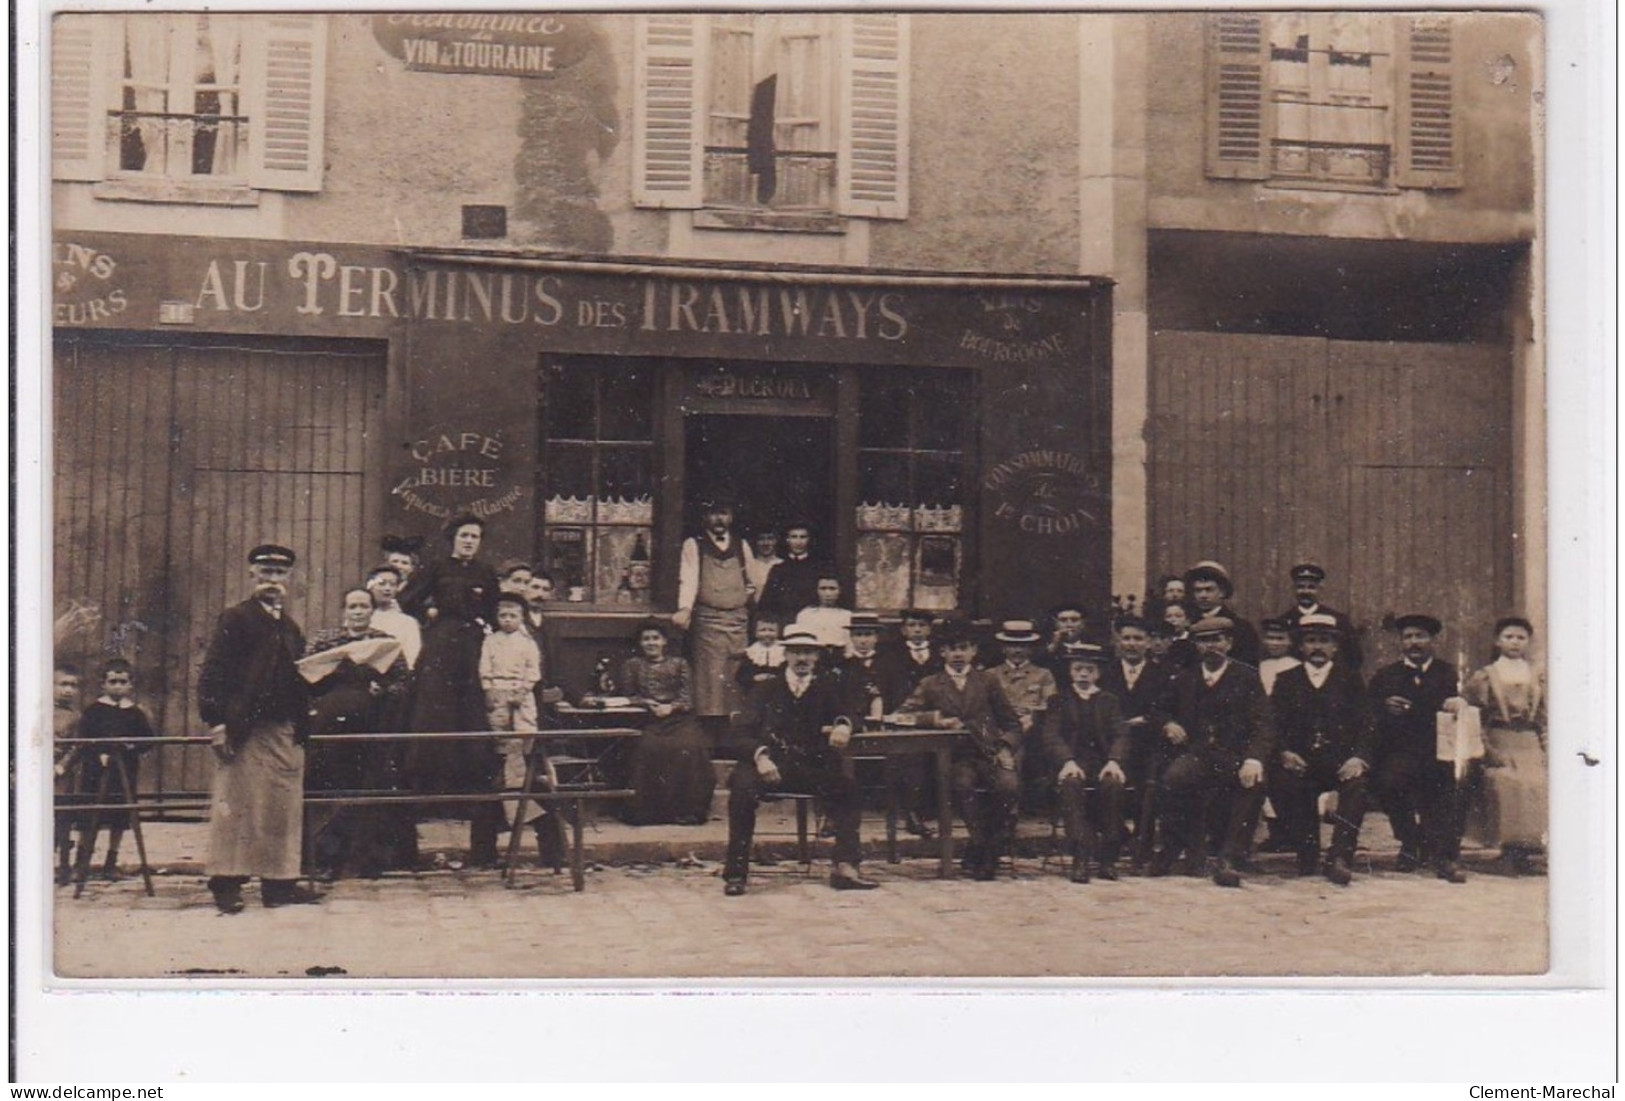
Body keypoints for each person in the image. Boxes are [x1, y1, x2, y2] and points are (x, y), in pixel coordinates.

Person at [197, 544, 319, 913]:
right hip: (245, 728)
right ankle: (226, 884)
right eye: (265, 573)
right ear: (252, 575)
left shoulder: (291, 628)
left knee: (281, 808)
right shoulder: (236, 618)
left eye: (280, 574)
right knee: (237, 806)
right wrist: (217, 722)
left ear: (289, 579)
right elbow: (213, 673)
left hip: (283, 729)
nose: (272, 581)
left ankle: (279, 885)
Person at [723, 627, 876, 895]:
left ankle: (846, 867)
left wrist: (844, 724)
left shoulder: (826, 687)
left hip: (808, 765)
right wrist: (760, 756)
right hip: (768, 763)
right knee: (742, 791)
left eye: (808, 653)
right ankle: (736, 873)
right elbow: (739, 733)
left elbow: (853, 711)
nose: (802, 658)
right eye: (796, 653)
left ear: (816, 657)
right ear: (786, 655)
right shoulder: (766, 688)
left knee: (848, 789)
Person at [401, 514, 503, 867]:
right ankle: (431, 784)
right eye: (464, 536)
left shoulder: (485, 572)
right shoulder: (436, 567)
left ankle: (467, 783)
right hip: (442, 643)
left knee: (471, 712)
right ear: (453, 539)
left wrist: (484, 626)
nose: (470, 541)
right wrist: (430, 610)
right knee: (436, 709)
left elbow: (494, 609)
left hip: (473, 644)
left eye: (475, 536)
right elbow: (407, 598)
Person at [1148, 615, 1273, 888]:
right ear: (1195, 645)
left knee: (1254, 783)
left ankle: (1229, 856)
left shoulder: (1247, 676)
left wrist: (1253, 759)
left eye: (1217, 639)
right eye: (1204, 641)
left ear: (1228, 643)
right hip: (1199, 754)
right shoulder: (1185, 677)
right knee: (1173, 779)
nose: (1211, 646)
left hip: (1235, 755)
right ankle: (1173, 846)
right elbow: (1158, 709)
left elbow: (1263, 723)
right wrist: (1168, 723)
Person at [301, 588, 413, 879]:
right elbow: (304, 678)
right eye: (352, 606)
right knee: (328, 786)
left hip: (370, 723)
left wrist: (384, 690)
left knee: (365, 785)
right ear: (344, 610)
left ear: (372, 610)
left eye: (364, 606)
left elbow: (404, 681)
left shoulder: (385, 643)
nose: (358, 612)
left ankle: (361, 858)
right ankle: (323, 858)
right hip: (330, 724)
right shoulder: (324, 641)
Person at [900, 622, 1023, 881]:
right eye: (951, 649)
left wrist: (1005, 747)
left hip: (989, 752)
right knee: (963, 786)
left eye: (963, 649)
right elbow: (902, 716)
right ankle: (984, 848)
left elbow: (1011, 722)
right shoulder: (931, 683)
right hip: (952, 757)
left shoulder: (987, 681)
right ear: (942, 652)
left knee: (1008, 786)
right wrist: (935, 719)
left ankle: (980, 847)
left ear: (973, 651)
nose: (958, 654)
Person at [1268, 614, 1373, 886]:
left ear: (1335, 647)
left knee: (1357, 786)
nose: (1317, 647)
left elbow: (1366, 724)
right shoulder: (1286, 680)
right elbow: (1272, 724)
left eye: (1324, 641)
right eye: (1310, 641)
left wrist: (1358, 757)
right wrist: (1284, 753)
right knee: (1285, 783)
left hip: (1338, 761)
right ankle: (1307, 852)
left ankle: (1340, 856)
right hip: (1300, 761)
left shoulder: (1350, 679)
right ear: (1300, 647)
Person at [1368, 613, 1470, 882]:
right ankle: (1410, 841)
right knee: (1388, 781)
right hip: (1399, 750)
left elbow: (1460, 706)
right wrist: (1385, 707)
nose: (1414, 642)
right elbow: (1369, 713)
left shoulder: (1448, 673)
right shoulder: (1386, 675)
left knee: (1452, 784)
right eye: (1408, 637)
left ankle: (1443, 853)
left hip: (1438, 750)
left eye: (1420, 636)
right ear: (1400, 642)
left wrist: (1458, 703)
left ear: (1432, 640)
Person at [1463, 616, 1547, 875]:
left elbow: (1544, 718)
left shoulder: (1536, 677)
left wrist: (1547, 749)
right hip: (1499, 740)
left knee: (1537, 781)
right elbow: (1473, 715)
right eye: (1509, 637)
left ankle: (1526, 851)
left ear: (1528, 643)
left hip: (1529, 742)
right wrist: (1487, 750)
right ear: (1497, 641)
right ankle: (1508, 851)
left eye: (1521, 638)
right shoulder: (1486, 676)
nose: (1514, 642)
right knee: (1506, 782)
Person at [1042, 642, 1130, 883]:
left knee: (1113, 785)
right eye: (1078, 669)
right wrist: (1067, 761)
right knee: (1071, 785)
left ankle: (1108, 857)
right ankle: (1080, 856)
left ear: (1097, 674)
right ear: (1070, 671)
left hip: (1102, 762)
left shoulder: (1109, 700)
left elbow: (1121, 733)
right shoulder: (1058, 700)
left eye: (1089, 670)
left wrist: (1114, 761)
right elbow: (1051, 735)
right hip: (1071, 763)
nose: (1083, 674)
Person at [673, 492, 756, 730]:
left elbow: (752, 581)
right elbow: (688, 579)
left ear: (731, 517)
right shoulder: (694, 544)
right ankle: (710, 732)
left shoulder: (741, 545)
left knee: (736, 676)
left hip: (737, 621)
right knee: (709, 679)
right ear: (704, 517)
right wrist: (685, 609)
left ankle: (735, 732)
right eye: (713, 513)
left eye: (724, 513)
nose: (719, 519)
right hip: (708, 621)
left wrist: (740, 598)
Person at [619, 619, 714, 825]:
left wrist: (670, 707)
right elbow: (628, 695)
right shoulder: (632, 665)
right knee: (648, 748)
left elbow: (687, 697)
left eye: (655, 638)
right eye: (646, 639)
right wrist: (647, 702)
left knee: (689, 747)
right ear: (640, 643)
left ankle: (687, 811)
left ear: (664, 642)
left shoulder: (679, 664)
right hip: (647, 718)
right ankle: (649, 813)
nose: (651, 643)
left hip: (678, 718)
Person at [71, 659, 157, 882]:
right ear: (103, 684)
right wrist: (98, 752)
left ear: (130, 685)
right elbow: (84, 739)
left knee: (119, 816)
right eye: (113, 681)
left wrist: (132, 746)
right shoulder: (93, 711)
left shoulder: (135, 713)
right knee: (91, 816)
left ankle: (111, 862)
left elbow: (148, 740)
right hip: (96, 772)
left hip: (124, 773)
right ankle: (81, 862)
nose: (118, 686)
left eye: (123, 681)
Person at [1100, 614, 1171, 866]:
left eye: (1138, 639)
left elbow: (1167, 709)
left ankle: (1144, 841)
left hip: (1148, 745)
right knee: (1100, 780)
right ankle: (1117, 835)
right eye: (1126, 638)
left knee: (1151, 783)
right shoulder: (1105, 673)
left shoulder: (1164, 675)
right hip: (1111, 746)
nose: (1131, 644)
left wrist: (1147, 721)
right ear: (1118, 641)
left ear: (1149, 643)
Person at [482, 593, 543, 836]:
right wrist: (488, 689)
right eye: (502, 615)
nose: (507, 620)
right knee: (501, 746)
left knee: (523, 742)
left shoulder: (528, 643)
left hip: (520, 694)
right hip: (498, 691)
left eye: (512, 615)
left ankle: (523, 801)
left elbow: (533, 671)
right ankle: (506, 807)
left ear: (521, 617)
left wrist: (523, 690)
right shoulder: (490, 641)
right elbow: (485, 666)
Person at [988, 620, 1059, 815]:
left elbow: (1049, 704)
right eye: (1012, 645)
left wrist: (1030, 719)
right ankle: (1009, 808)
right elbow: (985, 708)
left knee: (1018, 749)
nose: (1017, 650)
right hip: (1001, 732)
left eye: (1023, 645)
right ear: (1003, 648)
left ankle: (1011, 810)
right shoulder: (990, 675)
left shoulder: (1043, 675)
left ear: (1031, 648)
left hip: (1034, 732)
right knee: (1011, 747)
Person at [1279, 563, 1363, 671]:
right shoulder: (1284, 621)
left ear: (1320, 589)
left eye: (1311, 587)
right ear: (1293, 589)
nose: (1305, 592)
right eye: (1300, 587)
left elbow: (1354, 657)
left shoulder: (1338, 620)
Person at [1184, 561, 1261, 667]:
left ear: (1222, 592)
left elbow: (1248, 666)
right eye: (1198, 590)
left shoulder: (1241, 627)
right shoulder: (1187, 625)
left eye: (1209, 590)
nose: (1203, 595)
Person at [52, 663, 83, 886]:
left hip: (60, 776)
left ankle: (64, 867)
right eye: (63, 684)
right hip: (33, 771)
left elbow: (76, 746)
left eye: (73, 685)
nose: (69, 690)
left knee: (62, 821)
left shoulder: (76, 717)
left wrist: (61, 767)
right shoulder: (34, 709)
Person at [756, 521, 823, 624]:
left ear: (809, 540)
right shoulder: (778, 569)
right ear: (787, 540)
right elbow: (766, 603)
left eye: (802, 537)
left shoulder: (817, 568)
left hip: (810, 621)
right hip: (783, 622)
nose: (798, 542)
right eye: (794, 537)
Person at [365, 564, 422, 671]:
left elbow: (411, 657)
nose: (387, 588)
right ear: (370, 586)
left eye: (392, 584)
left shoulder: (408, 623)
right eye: (381, 584)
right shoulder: (363, 617)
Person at [793, 569, 853, 655]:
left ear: (840, 591)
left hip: (839, 656)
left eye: (832, 589)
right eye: (823, 588)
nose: (828, 593)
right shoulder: (805, 615)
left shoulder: (847, 615)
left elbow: (850, 644)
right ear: (817, 590)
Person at [735, 613, 787, 690]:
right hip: (755, 689)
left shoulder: (783, 652)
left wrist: (777, 678)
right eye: (762, 630)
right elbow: (740, 677)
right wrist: (754, 678)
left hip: (778, 689)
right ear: (755, 633)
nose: (767, 634)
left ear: (778, 632)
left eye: (771, 630)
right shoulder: (751, 653)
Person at [1040, 602, 1089, 680]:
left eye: (1074, 620)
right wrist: (1054, 645)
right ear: (1055, 623)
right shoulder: (1046, 648)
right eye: (1063, 620)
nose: (1069, 625)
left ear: (1083, 623)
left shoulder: (1094, 646)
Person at [1158, 602, 1199, 669]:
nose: (1173, 620)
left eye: (1178, 616)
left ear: (1187, 621)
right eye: (1168, 616)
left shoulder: (1194, 640)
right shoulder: (1162, 641)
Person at [746, 528, 782, 600]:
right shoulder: (748, 566)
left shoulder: (783, 565)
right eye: (761, 539)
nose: (766, 543)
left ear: (776, 541)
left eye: (770, 539)